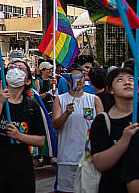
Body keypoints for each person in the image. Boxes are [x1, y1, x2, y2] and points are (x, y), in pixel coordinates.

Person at [0, 59, 45, 192]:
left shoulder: (31, 105)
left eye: (21, 68)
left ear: (27, 81)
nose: (16, 69)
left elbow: (40, 140)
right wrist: (0, 103)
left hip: (21, 169)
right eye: (12, 67)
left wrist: (19, 136)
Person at [90, 67, 139, 193]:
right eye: (120, 79)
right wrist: (124, 140)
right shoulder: (103, 121)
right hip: (115, 185)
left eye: (131, 79)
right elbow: (100, 163)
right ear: (110, 89)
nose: (127, 82)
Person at [52, 63, 103, 192]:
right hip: (67, 158)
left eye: (79, 78)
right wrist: (66, 113)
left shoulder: (94, 100)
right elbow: (56, 124)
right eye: (73, 78)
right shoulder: (60, 100)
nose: (77, 81)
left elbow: (102, 127)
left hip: (88, 157)